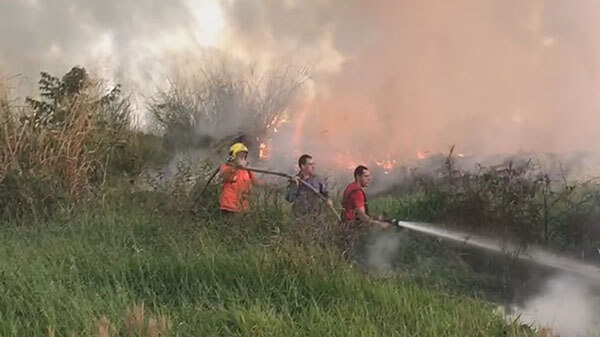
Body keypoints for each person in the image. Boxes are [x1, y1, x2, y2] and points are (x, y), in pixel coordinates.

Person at [338, 165, 389, 256]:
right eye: (366, 176)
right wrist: (378, 224)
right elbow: (361, 215)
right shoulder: (357, 192)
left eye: (369, 176)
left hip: (344, 225)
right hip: (352, 228)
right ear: (358, 177)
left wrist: (377, 217)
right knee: (355, 254)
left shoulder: (350, 187)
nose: (369, 179)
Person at [219, 142, 263, 215]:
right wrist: (235, 167)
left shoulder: (246, 170)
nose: (243, 158)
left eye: (244, 156)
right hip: (229, 207)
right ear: (233, 156)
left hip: (243, 208)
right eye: (240, 156)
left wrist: (272, 185)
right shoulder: (226, 167)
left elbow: (257, 182)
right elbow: (225, 177)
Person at [285, 154, 332, 220]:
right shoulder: (295, 180)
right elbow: (289, 199)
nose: (313, 167)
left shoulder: (318, 180)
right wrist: (295, 185)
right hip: (299, 218)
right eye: (310, 164)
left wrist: (328, 200)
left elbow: (325, 193)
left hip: (315, 217)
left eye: (313, 164)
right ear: (303, 166)